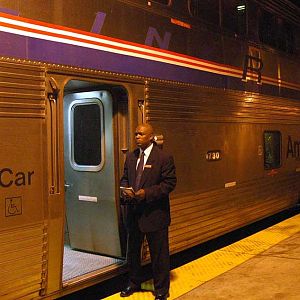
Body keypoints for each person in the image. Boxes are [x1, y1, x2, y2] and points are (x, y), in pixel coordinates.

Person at [120, 123, 176, 300]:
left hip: (155, 215)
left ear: (150, 137)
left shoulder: (164, 157)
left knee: (159, 255)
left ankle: (160, 289)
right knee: (133, 253)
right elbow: (125, 179)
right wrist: (125, 191)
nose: (137, 136)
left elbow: (169, 183)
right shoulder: (131, 157)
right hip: (134, 214)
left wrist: (147, 193)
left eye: (141, 134)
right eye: (136, 134)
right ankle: (134, 282)